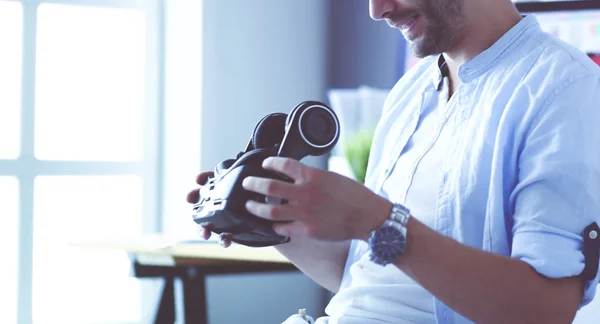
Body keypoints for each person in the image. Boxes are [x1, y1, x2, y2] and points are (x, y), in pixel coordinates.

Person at [186, 0, 600, 323]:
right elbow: (373, 280)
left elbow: (545, 312)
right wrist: (274, 221)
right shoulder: (412, 91)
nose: (376, 10)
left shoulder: (565, 89)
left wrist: (378, 221)